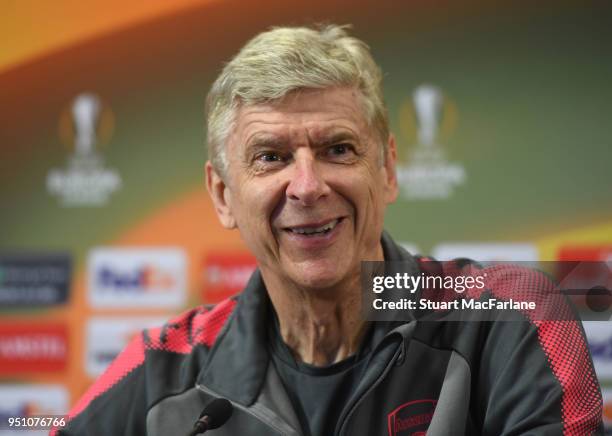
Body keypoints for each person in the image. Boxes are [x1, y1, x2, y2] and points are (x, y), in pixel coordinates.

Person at [56, 24, 603, 436]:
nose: (308, 185)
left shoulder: (508, 320)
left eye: (337, 149)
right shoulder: (162, 370)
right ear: (223, 195)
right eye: (271, 157)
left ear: (387, 170)